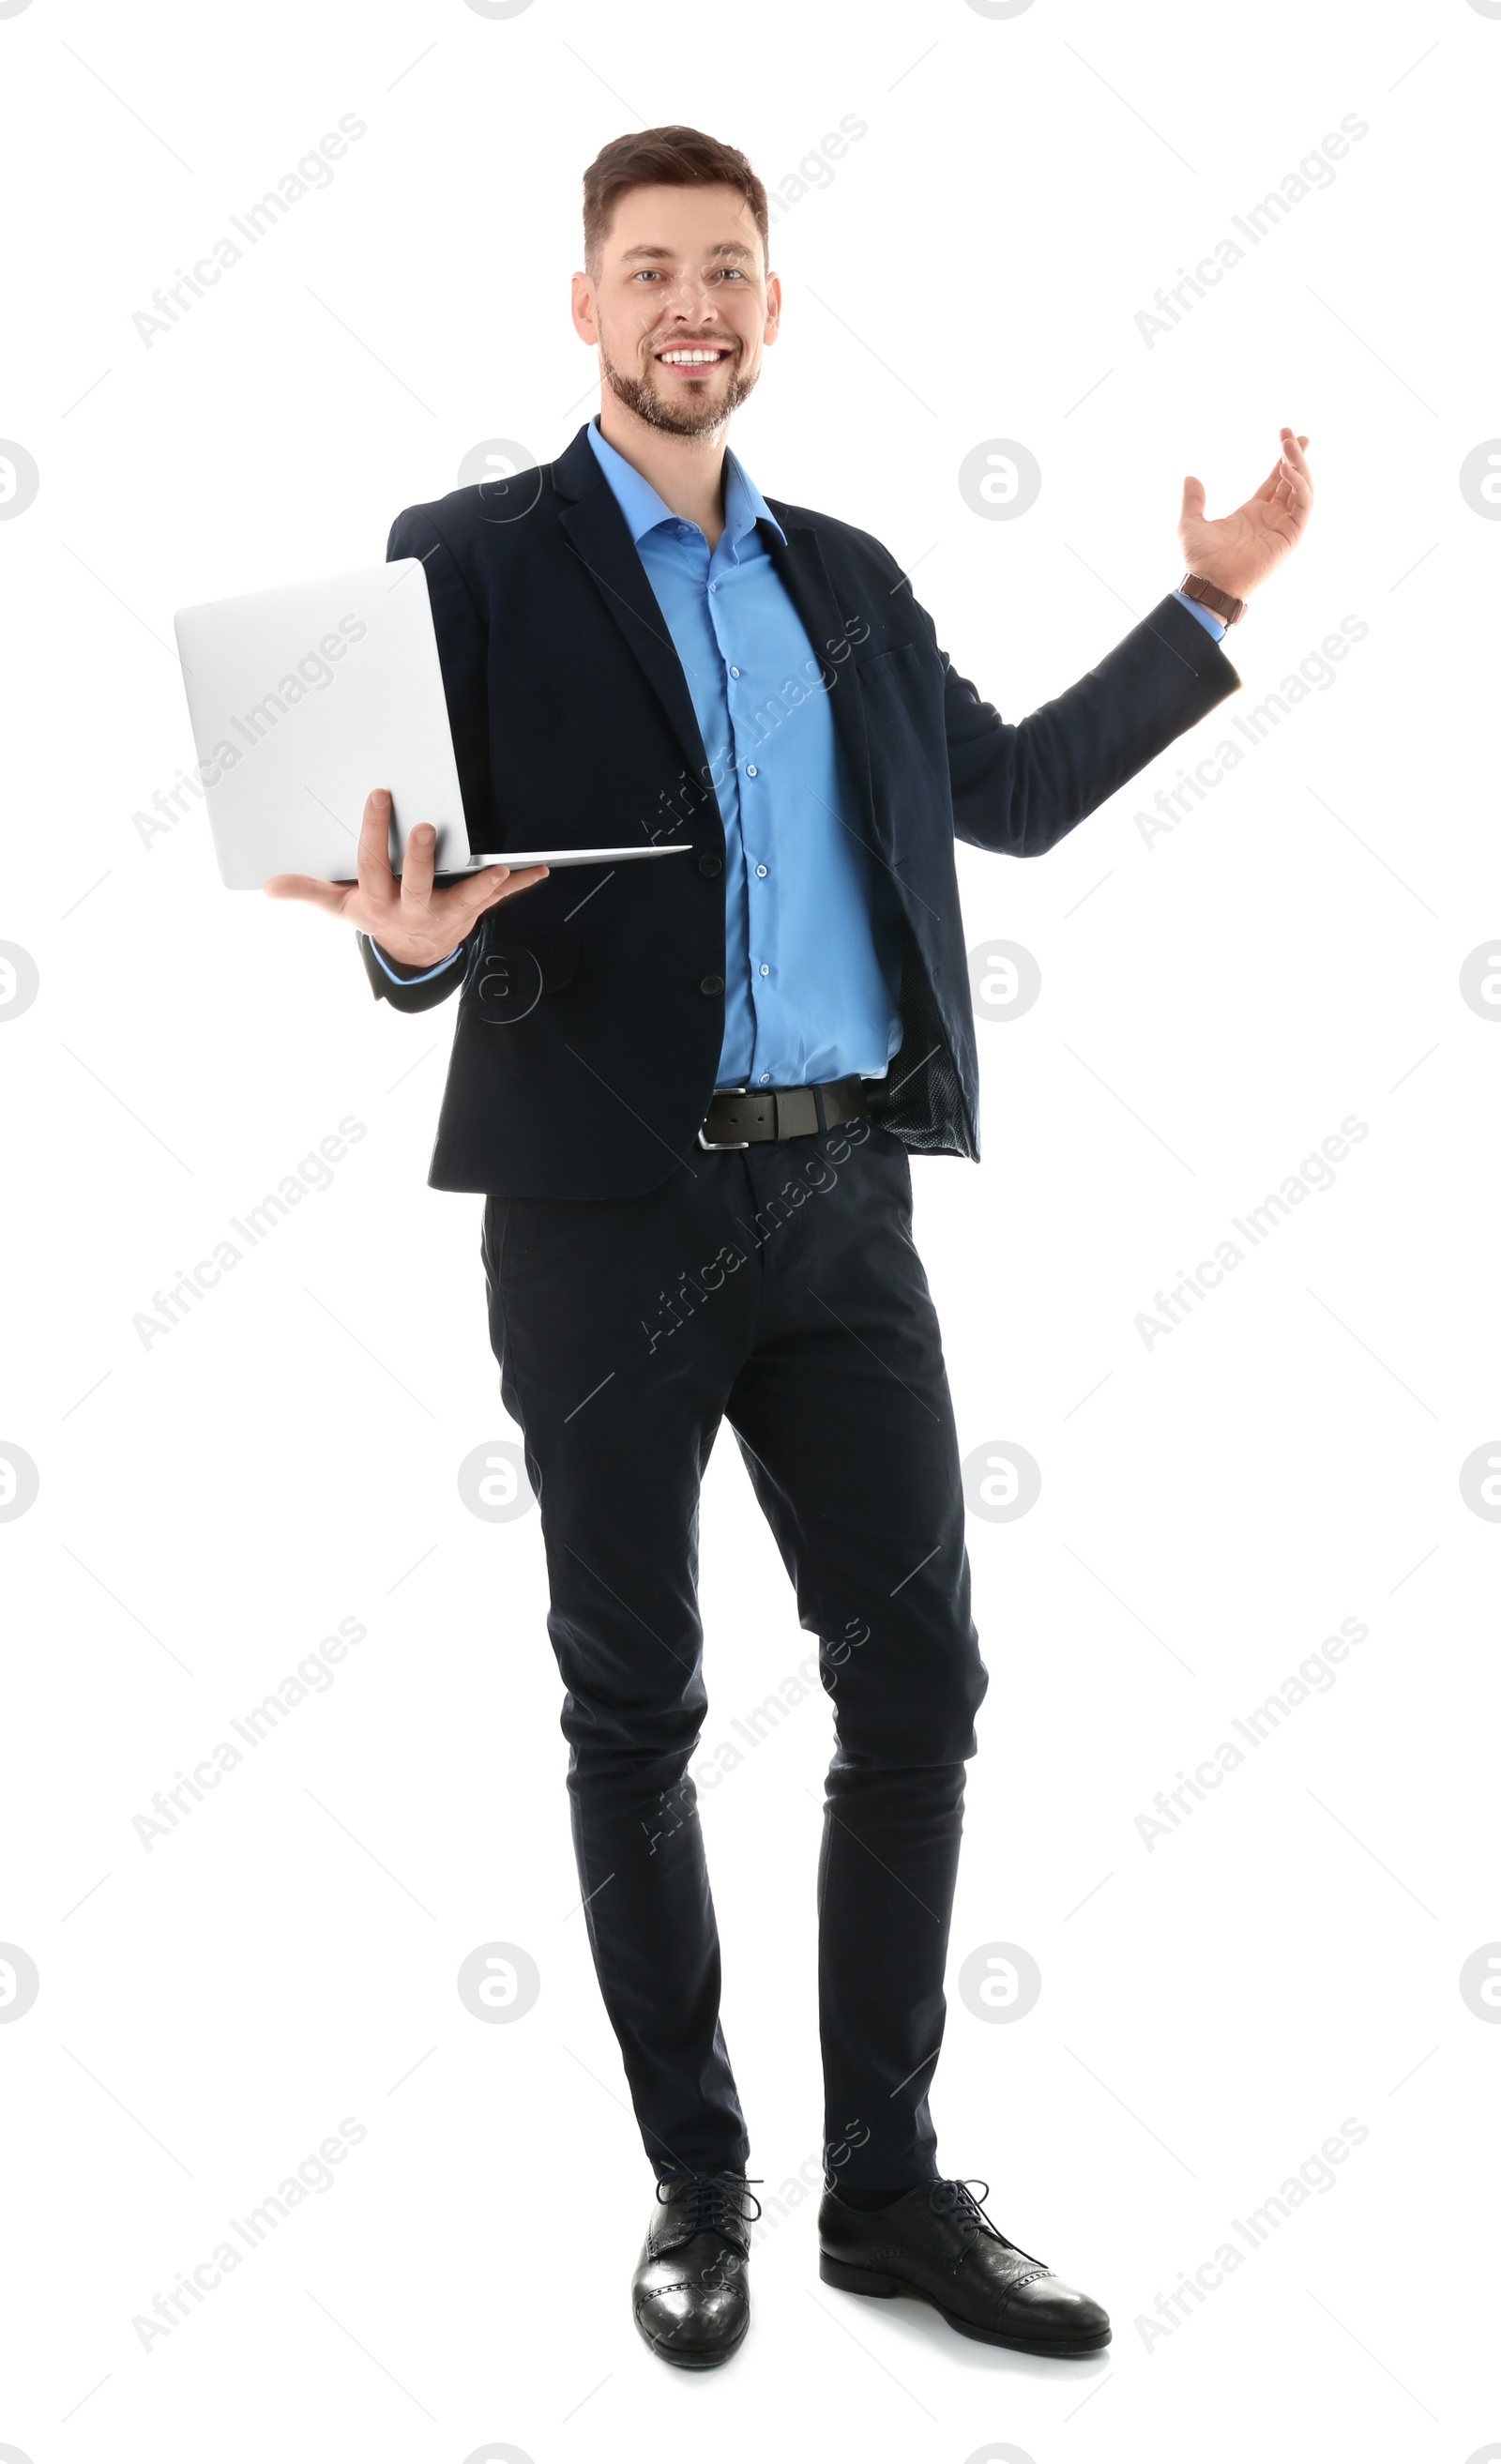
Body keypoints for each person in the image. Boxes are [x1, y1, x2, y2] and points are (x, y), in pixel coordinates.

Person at [267, 125, 1312, 2371]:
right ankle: (693, 2183)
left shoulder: (836, 573)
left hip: (843, 1202)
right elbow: (401, 889)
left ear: (769, 305)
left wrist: (1209, 600)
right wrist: (404, 951)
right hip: (592, 1211)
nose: (690, 307)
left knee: (917, 1682)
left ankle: (885, 2188)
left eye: (726, 270)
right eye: (647, 269)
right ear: (581, 304)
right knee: (631, 1706)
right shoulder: (467, 561)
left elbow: (1008, 791)